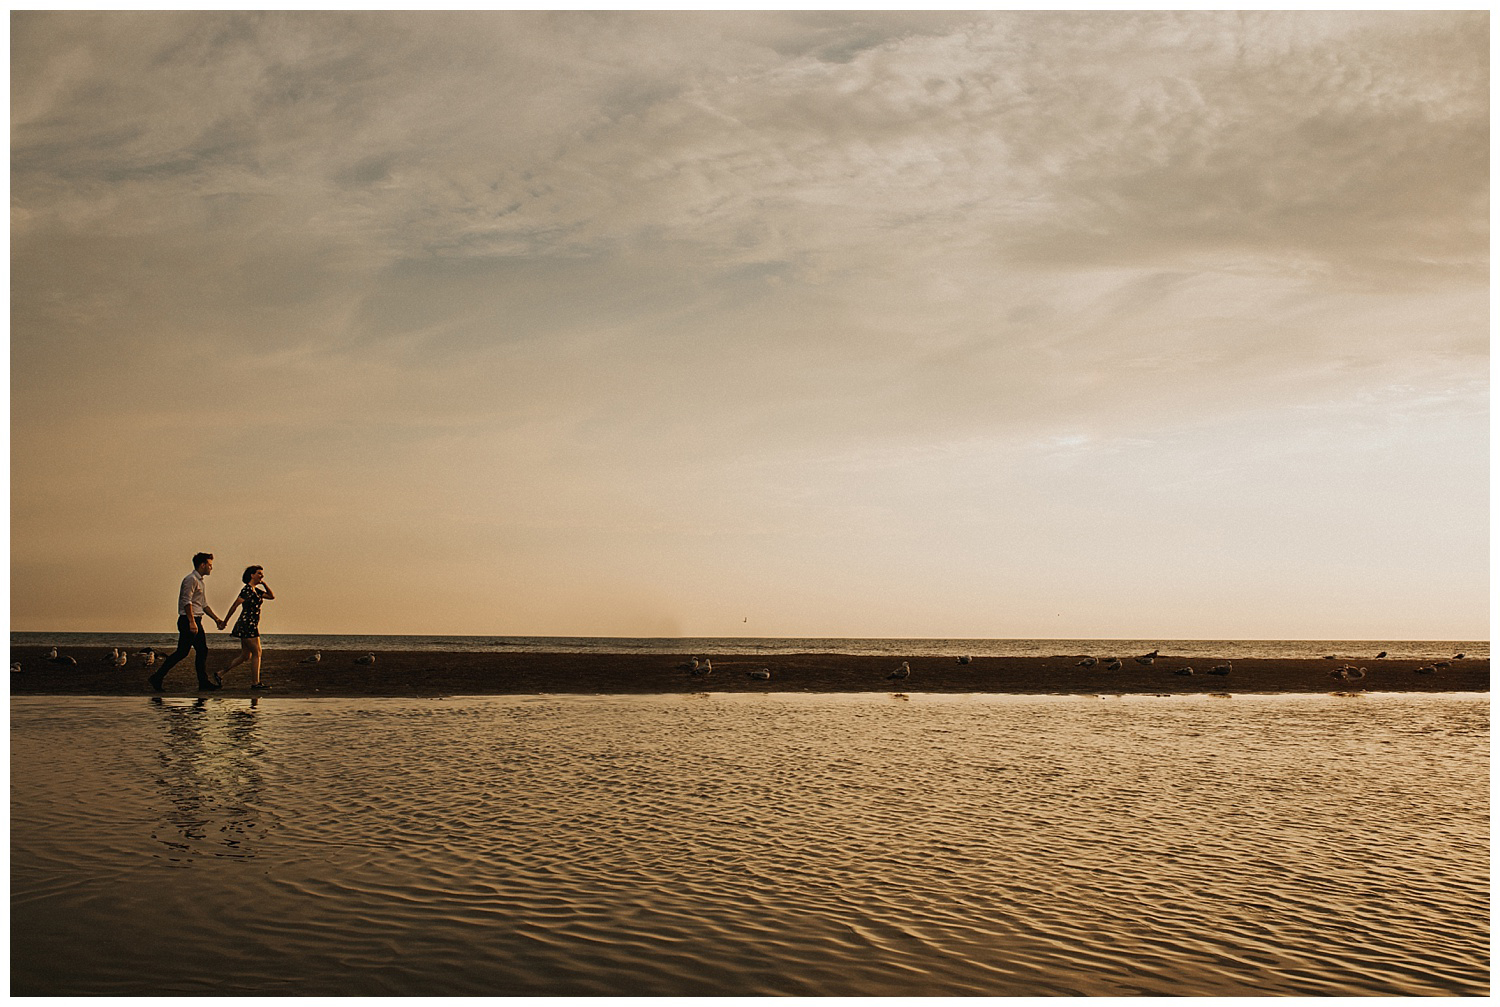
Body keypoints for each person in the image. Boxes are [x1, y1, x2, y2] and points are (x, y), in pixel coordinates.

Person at [149, 552, 227, 692]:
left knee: (200, 651)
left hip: (196, 619)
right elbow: (187, 601)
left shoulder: (200, 582)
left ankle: (202, 683)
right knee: (183, 652)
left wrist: (217, 620)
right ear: (202, 565)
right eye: (209, 565)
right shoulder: (191, 579)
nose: (211, 568)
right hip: (188, 620)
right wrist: (192, 622)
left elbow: (203, 604)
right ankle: (157, 677)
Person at [221, 566, 275, 690]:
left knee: (246, 656)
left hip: (252, 624)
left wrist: (264, 584)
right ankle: (255, 683)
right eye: (259, 573)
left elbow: (271, 596)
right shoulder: (247, 590)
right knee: (257, 652)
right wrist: (225, 621)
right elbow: (235, 605)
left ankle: (220, 673)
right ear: (252, 575)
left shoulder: (256, 591)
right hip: (247, 625)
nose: (261, 576)